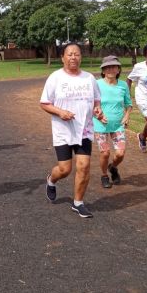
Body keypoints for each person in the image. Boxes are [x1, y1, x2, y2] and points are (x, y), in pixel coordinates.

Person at [40, 43, 106, 218]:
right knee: (65, 169)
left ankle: (78, 203)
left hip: (84, 129)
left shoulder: (89, 78)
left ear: (81, 57)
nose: (73, 57)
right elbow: (44, 103)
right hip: (63, 130)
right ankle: (51, 180)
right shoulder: (55, 78)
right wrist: (60, 112)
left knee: (84, 166)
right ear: (62, 57)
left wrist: (98, 110)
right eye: (69, 54)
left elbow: (96, 101)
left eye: (76, 54)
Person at [92, 55, 132, 188]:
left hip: (117, 125)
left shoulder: (123, 85)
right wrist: (98, 115)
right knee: (105, 153)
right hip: (100, 124)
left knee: (120, 153)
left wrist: (127, 115)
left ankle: (113, 167)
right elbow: (89, 104)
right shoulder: (96, 84)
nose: (110, 69)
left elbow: (128, 103)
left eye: (113, 67)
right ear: (103, 71)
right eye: (107, 67)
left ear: (118, 69)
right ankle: (104, 175)